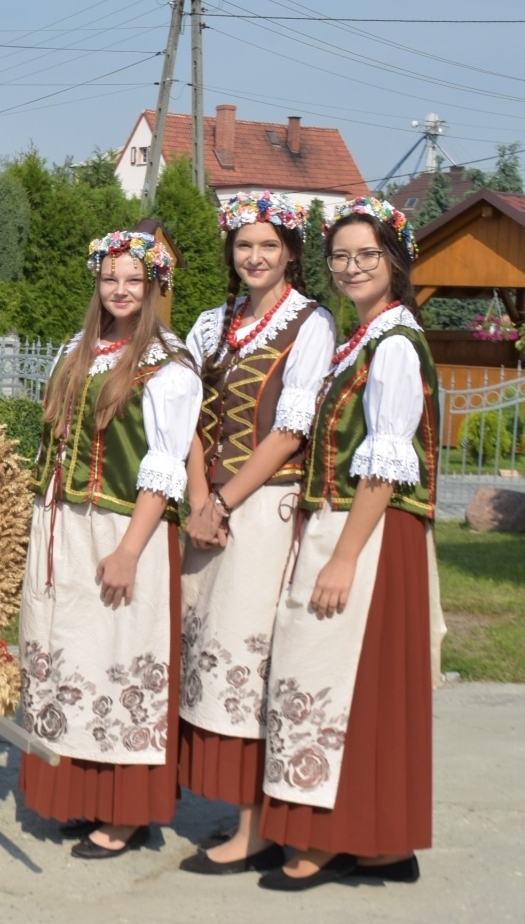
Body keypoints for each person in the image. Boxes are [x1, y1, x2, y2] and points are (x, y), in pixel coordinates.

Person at [257, 196, 439, 890]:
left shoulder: (393, 344)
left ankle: (328, 840)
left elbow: (386, 462)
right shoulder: (364, 338)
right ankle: (380, 843)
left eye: (368, 255)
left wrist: (343, 555)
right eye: (342, 256)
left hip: (368, 531)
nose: (354, 266)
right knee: (350, 687)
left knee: (329, 678)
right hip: (351, 526)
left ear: (395, 262)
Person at [17, 231, 201, 858]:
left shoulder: (168, 364)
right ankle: (79, 796)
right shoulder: (82, 348)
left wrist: (128, 550)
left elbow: (166, 463)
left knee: (117, 660)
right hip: (63, 525)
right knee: (69, 659)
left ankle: (126, 814)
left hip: (121, 529)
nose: (120, 291)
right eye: (110, 279)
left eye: (133, 280)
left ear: (153, 288)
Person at [176, 192, 337, 874]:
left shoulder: (312, 324)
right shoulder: (213, 323)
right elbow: (179, 414)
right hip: (205, 507)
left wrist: (225, 501)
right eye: (244, 246)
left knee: (250, 663)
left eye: (268, 246)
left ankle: (256, 827)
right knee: (205, 656)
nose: (255, 257)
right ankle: (238, 808)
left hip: (263, 511)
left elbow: (291, 429)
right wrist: (197, 498)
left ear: (292, 254)